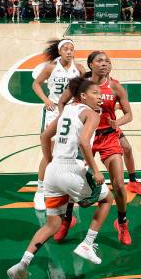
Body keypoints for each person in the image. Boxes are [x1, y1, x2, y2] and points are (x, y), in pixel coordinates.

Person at [7, 77, 115, 279]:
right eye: (95, 93)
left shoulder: (66, 110)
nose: (100, 97)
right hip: (72, 170)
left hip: (53, 171)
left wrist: (48, 160)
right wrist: (95, 170)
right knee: (108, 199)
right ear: (83, 96)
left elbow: (45, 135)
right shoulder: (91, 114)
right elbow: (85, 142)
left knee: (52, 225)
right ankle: (87, 243)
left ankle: (22, 265)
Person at [58, 51, 138, 245]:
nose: (105, 64)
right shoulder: (79, 85)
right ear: (90, 65)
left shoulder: (116, 87)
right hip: (86, 138)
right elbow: (61, 102)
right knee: (71, 181)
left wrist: (116, 122)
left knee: (118, 183)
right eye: (100, 61)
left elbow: (129, 114)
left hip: (108, 137)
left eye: (108, 61)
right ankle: (67, 220)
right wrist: (66, 124)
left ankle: (122, 222)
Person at [32, 39, 87, 210]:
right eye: (66, 49)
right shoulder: (50, 67)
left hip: (71, 111)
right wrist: (46, 99)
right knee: (50, 152)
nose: (69, 52)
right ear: (59, 51)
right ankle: (40, 191)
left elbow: (84, 89)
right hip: (54, 109)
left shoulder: (79, 69)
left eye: (72, 49)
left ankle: (68, 189)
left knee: (71, 151)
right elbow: (35, 84)